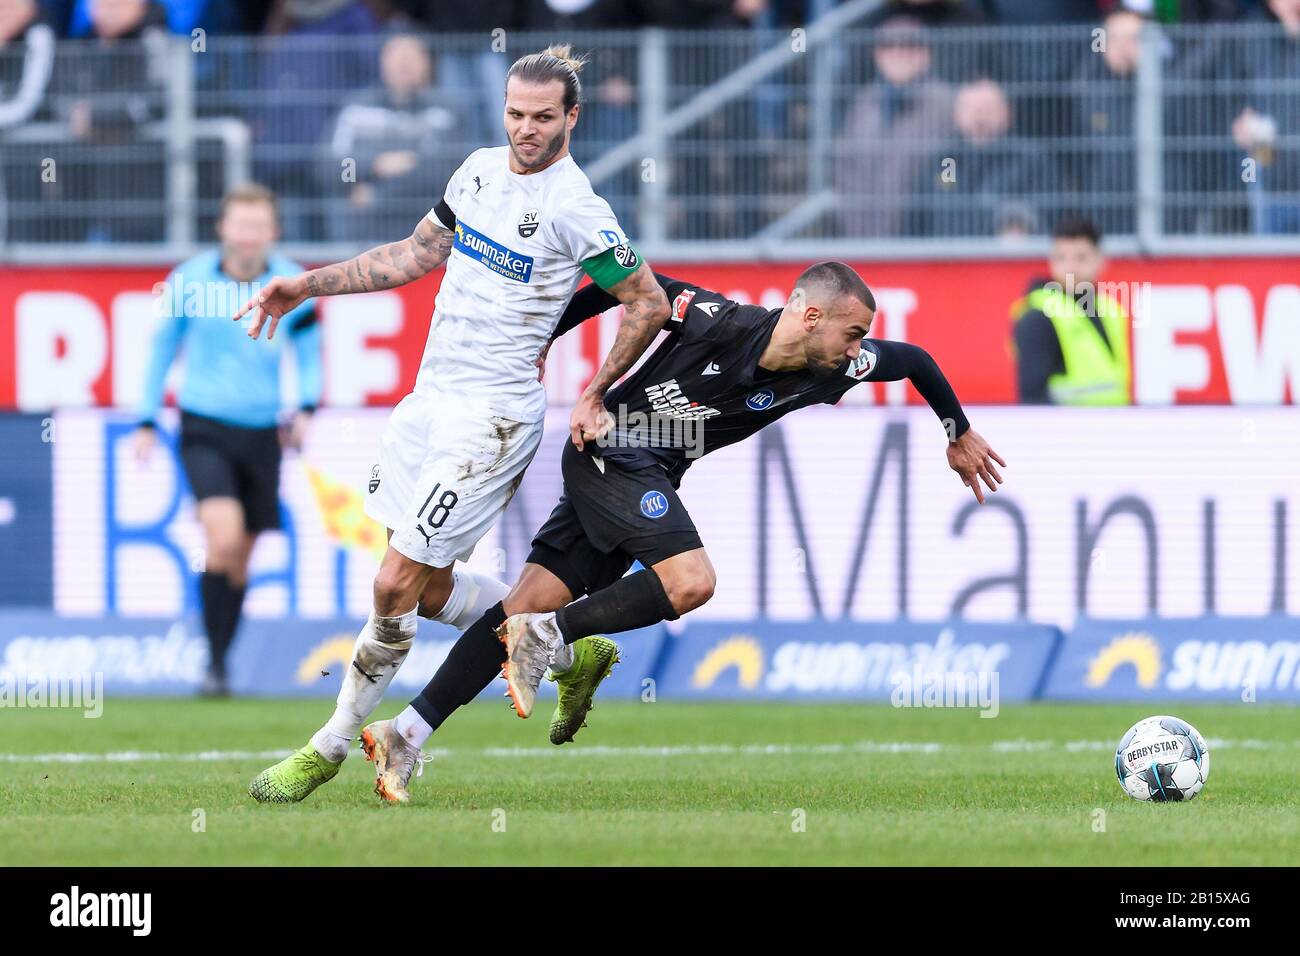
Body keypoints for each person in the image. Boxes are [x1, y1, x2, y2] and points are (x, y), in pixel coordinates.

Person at [360, 261, 1007, 803]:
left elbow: (917, 361)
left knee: (520, 606)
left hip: (647, 475)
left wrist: (957, 433)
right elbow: (619, 283)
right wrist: (540, 348)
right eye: (853, 332)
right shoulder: (712, 318)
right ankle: (552, 636)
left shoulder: (837, 367)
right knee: (690, 582)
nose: (858, 347)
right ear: (812, 316)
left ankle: (406, 733)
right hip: (610, 449)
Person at [243, 45, 672, 803]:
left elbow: (648, 300)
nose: (526, 130)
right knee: (430, 586)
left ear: (573, 118)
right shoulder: (475, 171)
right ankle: (572, 650)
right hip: (429, 402)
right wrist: (305, 285)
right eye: (515, 114)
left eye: (544, 118)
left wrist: (596, 390)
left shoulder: (577, 209)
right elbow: (412, 255)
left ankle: (329, 745)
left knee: (391, 584)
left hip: (494, 418)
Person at [132, 184, 322, 697]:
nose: (248, 235)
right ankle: (215, 663)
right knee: (222, 537)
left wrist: (306, 408)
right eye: (240, 224)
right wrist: (145, 420)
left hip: (262, 433)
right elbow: (160, 351)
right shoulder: (189, 281)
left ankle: (220, 662)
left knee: (239, 556)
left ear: (272, 232)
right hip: (203, 427)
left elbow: (308, 353)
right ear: (222, 228)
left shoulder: (292, 283)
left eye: (258, 225)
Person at [1010, 217, 1132, 405]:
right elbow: (1032, 401)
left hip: (1111, 427)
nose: (1070, 268)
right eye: (1061, 258)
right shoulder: (1039, 316)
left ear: (1100, 261)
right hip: (1067, 432)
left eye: (1081, 258)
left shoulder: (1110, 310)